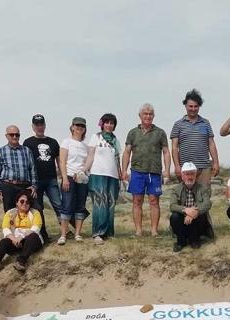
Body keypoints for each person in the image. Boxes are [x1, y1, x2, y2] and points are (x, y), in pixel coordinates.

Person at [121, 103, 171, 237]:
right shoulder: (133, 132)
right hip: (137, 171)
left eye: (150, 114)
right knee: (137, 201)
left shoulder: (160, 133)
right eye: (145, 114)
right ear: (140, 116)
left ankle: (154, 231)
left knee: (154, 201)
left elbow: (166, 152)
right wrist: (124, 170)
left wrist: (167, 170)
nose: (148, 116)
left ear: (153, 116)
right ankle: (138, 231)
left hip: (154, 172)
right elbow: (127, 152)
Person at [170, 88, 220, 190]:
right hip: (185, 168)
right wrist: (177, 166)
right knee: (186, 198)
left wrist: (216, 162)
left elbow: (211, 144)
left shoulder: (206, 123)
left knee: (204, 197)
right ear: (185, 106)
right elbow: (174, 147)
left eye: (196, 106)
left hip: (204, 167)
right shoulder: (178, 124)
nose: (193, 109)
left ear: (199, 107)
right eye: (190, 106)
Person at [22, 114, 62, 241]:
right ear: (33, 126)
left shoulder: (53, 142)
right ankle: (43, 234)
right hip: (35, 181)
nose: (39, 127)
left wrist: (64, 176)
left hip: (51, 179)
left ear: (45, 125)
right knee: (38, 208)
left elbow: (59, 161)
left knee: (58, 204)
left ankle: (64, 231)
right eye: (37, 125)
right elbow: (26, 162)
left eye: (41, 124)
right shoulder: (28, 142)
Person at [84, 113, 122, 245]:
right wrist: (84, 170)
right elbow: (90, 155)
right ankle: (98, 233)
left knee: (110, 204)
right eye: (107, 122)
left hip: (113, 176)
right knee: (100, 203)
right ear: (102, 124)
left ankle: (109, 232)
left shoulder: (116, 140)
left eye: (112, 123)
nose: (109, 125)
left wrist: (121, 176)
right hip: (97, 174)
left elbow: (117, 160)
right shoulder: (96, 137)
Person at [57, 117, 90, 245]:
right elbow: (62, 161)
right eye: (77, 126)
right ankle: (63, 235)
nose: (79, 128)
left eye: (82, 126)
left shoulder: (86, 146)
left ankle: (77, 233)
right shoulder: (66, 142)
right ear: (72, 127)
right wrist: (65, 177)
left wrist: (84, 174)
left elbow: (87, 163)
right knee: (67, 205)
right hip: (69, 176)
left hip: (82, 178)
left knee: (80, 205)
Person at [0, 189, 44, 272]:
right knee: (3, 242)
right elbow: (6, 228)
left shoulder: (35, 213)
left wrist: (21, 237)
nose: (24, 204)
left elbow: (35, 228)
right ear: (17, 202)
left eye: (27, 202)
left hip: (30, 241)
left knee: (33, 236)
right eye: (22, 201)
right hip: (15, 241)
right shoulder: (10, 213)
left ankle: (21, 261)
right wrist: (13, 239)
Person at [0, 125, 38, 211]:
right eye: (12, 134)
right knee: (11, 213)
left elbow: (33, 169)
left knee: (35, 210)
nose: (14, 137)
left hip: (25, 186)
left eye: (17, 135)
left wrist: (34, 186)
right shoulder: (0, 152)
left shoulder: (27, 151)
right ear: (6, 136)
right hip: (8, 187)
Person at [168, 162, 212, 252]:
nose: (190, 176)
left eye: (192, 174)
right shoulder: (176, 189)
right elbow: (172, 205)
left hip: (195, 219)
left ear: (196, 175)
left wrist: (193, 213)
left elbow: (207, 203)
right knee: (175, 216)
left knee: (202, 215)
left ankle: (194, 240)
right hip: (182, 220)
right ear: (182, 176)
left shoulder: (202, 188)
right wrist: (185, 210)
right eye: (187, 174)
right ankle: (181, 242)